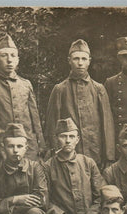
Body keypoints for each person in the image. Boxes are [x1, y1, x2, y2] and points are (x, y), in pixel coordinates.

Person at [0, 34, 45, 170]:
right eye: (4, 55)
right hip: (1, 149)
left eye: (13, 55)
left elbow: (35, 119)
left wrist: (41, 145)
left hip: (27, 148)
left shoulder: (26, 84)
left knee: (29, 185)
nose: (9, 60)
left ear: (18, 60)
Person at [45, 39, 115, 168]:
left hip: (95, 155)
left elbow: (107, 125)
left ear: (89, 61)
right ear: (69, 60)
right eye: (76, 59)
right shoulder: (60, 89)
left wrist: (109, 156)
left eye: (84, 59)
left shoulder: (98, 89)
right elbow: (52, 125)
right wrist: (55, 152)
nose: (80, 63)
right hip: (68, 155)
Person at [44, 118, 103, 214]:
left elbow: (100, 196)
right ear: (56, 139)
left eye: (71, 136)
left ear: (77, 139)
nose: (67, 141)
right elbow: (45, 200)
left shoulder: (88, 163)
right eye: (63, 136)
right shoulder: (47, 167)